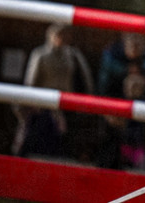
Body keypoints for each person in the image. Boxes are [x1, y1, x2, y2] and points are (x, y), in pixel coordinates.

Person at [13, 23, 94, 157]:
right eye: (59, 35)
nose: (62, 38)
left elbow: (86, 78)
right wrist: (30, 102)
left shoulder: (73, 55)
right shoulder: (40, 55)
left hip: (66, 105)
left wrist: (86, 101)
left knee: (61, 146)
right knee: (37, 144)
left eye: (65, 35)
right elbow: (30, 81)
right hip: (42, 105)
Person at [96, 33, 145, 169]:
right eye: (132, 45)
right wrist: (107, 111)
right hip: (114, 111)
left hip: (140, 117)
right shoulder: (112, 60)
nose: (135, 49)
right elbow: (104, 88)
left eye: (138, 45)